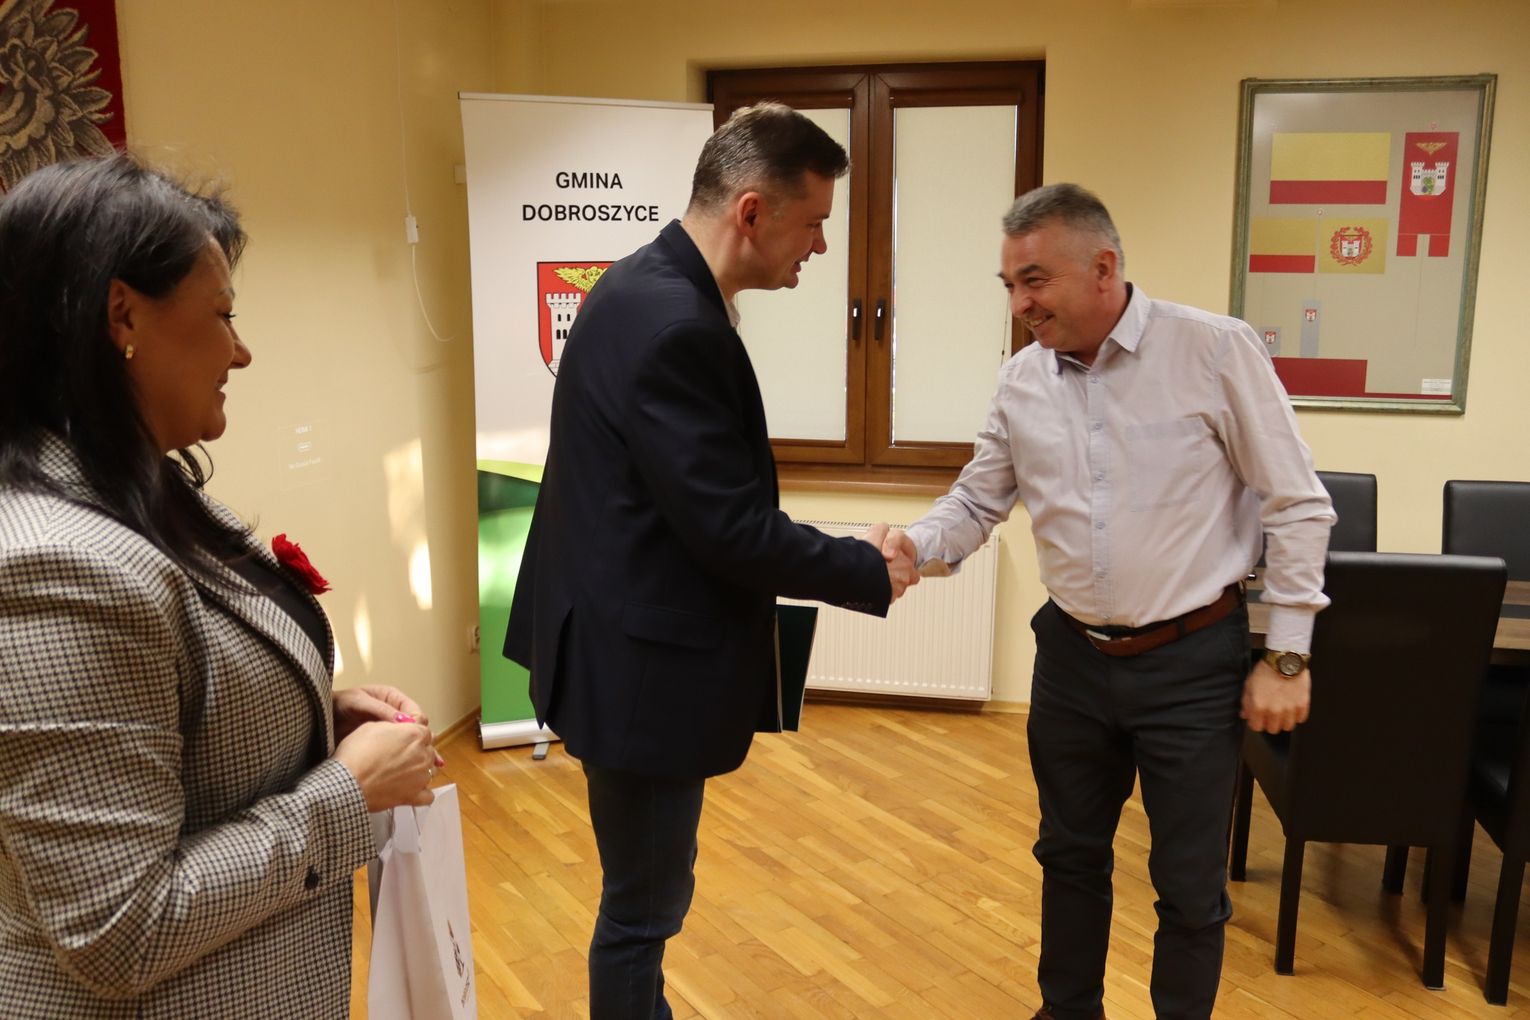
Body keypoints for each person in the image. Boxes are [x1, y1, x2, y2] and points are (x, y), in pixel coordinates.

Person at [0, 154, 441, 1018]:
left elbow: (165, 706)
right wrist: (346, 793)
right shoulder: (56, 567)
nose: (241, 351)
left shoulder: (140, 489)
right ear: (123, 315)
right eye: (223, 314)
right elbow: (122, 930)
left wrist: (308, 718)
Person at [504, 102, 918, 1019]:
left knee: (644, 899)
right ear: (752, 212)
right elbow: (728, 528)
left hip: (610, 642)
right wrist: (862, 564)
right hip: (639, 672)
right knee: (642, 913)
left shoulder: (638, 285)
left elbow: (677, 501)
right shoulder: (675, 325)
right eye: (814, 223)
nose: (821, 247)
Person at [887, 183, 1334, 1020]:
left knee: (1189, 884)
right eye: (1009, 286)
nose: (1019, 305)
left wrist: (1288, 655)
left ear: (1103, 268)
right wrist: (916, 544)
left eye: (1034, 281)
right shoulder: (1021, 380)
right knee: (1068, 858)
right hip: (1071, 660)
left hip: (1192, 661)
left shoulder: (1213, 350)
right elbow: (978, 501)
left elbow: (1298, 505)